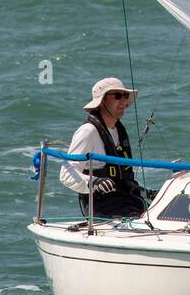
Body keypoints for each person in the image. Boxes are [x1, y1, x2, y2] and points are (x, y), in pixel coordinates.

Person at [59, 77, 148, 219]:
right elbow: (66, 175)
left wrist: (146, 193)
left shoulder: (118, 130)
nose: (124, 102)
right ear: (102, 101)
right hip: (104, 208)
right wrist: (94, 182)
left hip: (129, 201)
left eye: (125, 96)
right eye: (118, 96)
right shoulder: (88, 132)